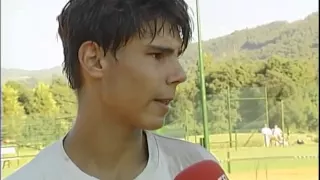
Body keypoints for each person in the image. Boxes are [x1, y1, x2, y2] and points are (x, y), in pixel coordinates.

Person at [6, 0, 221, 179]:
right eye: (157, 55)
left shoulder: (195, 166)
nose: (179, 75)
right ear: (95, 60)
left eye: (176, 56)